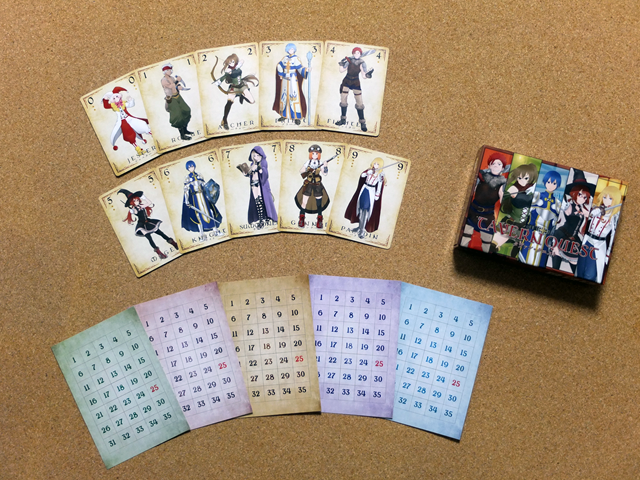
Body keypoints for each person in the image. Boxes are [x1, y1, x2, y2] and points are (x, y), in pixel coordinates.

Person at [459, 152, 510, 253]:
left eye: (499, 164)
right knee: (465, 236)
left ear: (503, 168)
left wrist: (507, 212)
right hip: (473, 210)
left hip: (488, 214)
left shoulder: (503, 182)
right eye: (493, 163)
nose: (496, 166)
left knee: (487, 241)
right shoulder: (481, 176)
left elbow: (502, 198)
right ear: (489, 165)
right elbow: (473, 189)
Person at [549, 170, 595, 273]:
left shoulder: (583, 209)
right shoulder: (569, 206)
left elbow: (590, 216)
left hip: (574, 240)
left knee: (577, 270)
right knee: (555, 268)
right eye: (580, 195)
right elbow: (565, 207)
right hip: (561, 236)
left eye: (585, 197)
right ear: (574, 193)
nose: (582, 199)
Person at [576, 185, 623, 283]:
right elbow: (586, 218)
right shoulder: (595, 209)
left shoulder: (614, 216)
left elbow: (613, 235)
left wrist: (608, 254)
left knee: (590, 275)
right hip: (586, 242)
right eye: (605, 197)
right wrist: (593, 212)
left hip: (598, 246)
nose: (606, 200)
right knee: (580, 271)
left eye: (610, 198)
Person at [490, 163, 538, 257]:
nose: (522, 181)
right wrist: (502, 193)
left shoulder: (533, 188)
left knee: (517, 253)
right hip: (511, 223)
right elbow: (505, 198)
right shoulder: (513, 188)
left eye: (526, 178)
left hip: (524, 227)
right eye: (519, 178)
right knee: (494, 245)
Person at [119, 189, 178, 259]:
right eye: (134, 201)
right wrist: (132, 211)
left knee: (160, 233)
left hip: (148, 222)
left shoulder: (141, 206)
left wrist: (144, 197)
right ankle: (159, 253)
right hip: (141, 225)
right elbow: (134, 212)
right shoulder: (134, 209)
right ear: (131, 202)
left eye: (137, 200)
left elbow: (149, 202)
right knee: (150, 238)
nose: (136, 201)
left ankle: (173, 243)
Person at [518, 170, 562, 267]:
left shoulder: (558, 203)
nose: (551, 185)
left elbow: (555, 226)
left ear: (558, 185)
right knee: (525, 259)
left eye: (554, 183)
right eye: (549, 182)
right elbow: (523, 212)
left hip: (545, 239)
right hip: (531, 234)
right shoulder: (536, 195)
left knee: (540, 263)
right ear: (545, 182)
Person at [211, 53, 259, 130]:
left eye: (232, 61)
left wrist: (237, 66)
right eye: (229, 63)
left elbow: (242, 61)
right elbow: (224, 76)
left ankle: (242, 96)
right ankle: (224, 120)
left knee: (252, 101)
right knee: (229, 102)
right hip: (234, 88)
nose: (231, 64)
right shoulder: (229, 70)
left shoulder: (238, 66)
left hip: (242, 86)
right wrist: (219, 81)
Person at [344, 157, 386, 238]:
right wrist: (367, 172)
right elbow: (362, 175)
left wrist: (377, 194)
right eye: (374, 163)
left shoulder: (380, 174)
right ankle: (359, 227)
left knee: (365, 210)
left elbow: (380, 185)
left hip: (371, 192)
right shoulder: (369, 170)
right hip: (364, 190)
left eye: (377, 164)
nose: (375, 165)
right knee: (360, 208)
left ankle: (362, 230)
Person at [102, 86, 151, 156]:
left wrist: (131, 100)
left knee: (141, 124)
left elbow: (131, 104)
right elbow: (106, 106)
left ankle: (151, 133)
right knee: (129, 135)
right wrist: (105, 99)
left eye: (116, 96)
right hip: (122, 122)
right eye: (113, 98)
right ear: (112, 100)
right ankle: (138, 149)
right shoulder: (113, 106)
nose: (116, 99)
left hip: (129, 118)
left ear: (120, 96)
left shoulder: (123, 103)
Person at [335, 47, 374, 132]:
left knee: (359, 102)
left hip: (356, 82)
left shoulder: (362, 63)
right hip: (346, 81)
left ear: (360, 54)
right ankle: (343, 119)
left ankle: (362, 122)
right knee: (343, 100)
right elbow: (342, 70)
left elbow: (364, 75)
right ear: (353, 53)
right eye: (355, 53)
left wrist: (368, 74)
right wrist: (341, 64)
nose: (356, 54)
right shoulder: (349, 61)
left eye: (358, 53)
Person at [181, 160, 222, 237]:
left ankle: (215, 231)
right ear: (187, 168)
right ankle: (202, 234)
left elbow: (206, 187)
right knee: (198, 215)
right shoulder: (187, 178)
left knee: (210, 212)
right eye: (189, 167)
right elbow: (186, 191)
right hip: (195, 198)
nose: (191, 168)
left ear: (194, 166)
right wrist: (186, 201)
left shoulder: (199, 175)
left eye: (192, 166)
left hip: (203, 197)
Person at [239, 146, 278, 229]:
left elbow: (265, 173)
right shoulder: (252, 164)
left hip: (262, 185)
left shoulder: (263, 162)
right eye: (254, 156)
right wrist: (246, 173)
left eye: (257, 155)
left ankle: (265, 218)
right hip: (254, 184)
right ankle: (261, 219)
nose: (256, 157)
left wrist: (259, 169)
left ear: (261, 155)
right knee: (257, 201)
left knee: (263, 200)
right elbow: (251, 174)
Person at [272, 43, 309, 125]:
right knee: (284, 97)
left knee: (294, 97)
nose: (290, 50)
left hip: (293, 81)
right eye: (289, 49)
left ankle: (296, 117)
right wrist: (281, 74)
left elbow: (300, 69)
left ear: (294, 50)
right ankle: (284, 115)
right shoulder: (285, 58)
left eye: (292, 49)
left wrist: (306, 70)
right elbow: (279, 65)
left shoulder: (296, 59)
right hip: (285, 80)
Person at [295, 145, 330, 229]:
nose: (315, 155)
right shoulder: (308, 162)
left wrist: (325, 166)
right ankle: (301, 219)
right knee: (304, 202)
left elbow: (325, 173)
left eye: (316, 154)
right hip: (308, 184)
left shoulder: (320, 163)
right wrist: (309, 171)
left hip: (317, 185)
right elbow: (301, 171)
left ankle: (319, 220)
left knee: (319, 204)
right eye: (313, 153)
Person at [161, 63, 193, 140]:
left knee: (186, 110)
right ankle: (182, 135)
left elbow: (175, 85)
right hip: (171, 99)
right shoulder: (163, 80)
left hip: (178, 96)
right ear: (165, 71)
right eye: (168, 70)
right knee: (178, 116)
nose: (170, 71)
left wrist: (179, 83)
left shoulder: (171, 78)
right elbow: (171, 86)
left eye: (170, 70)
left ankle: (185, 130)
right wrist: (177, 82)